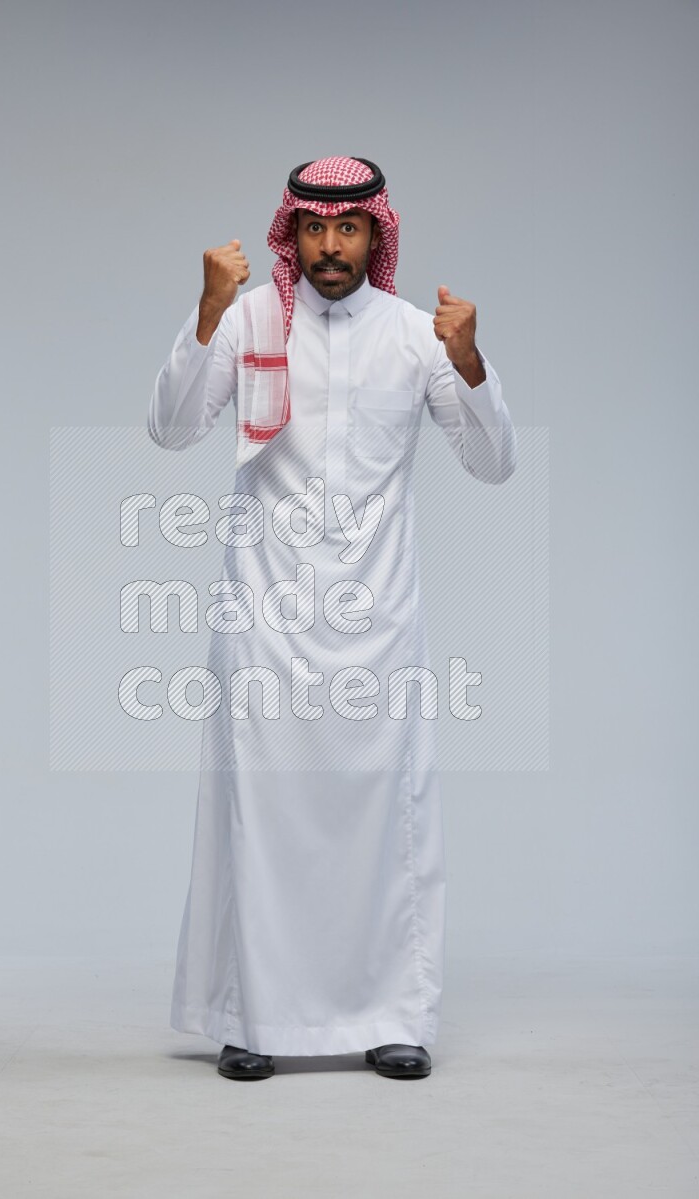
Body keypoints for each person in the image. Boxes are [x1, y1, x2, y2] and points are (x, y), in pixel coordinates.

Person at [148, 156, 517, 1081]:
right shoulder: (248, 321)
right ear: (293, 233)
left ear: (375, 235)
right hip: (266, 618)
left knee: (385, 820)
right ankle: (254, 1016)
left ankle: (394, 1015)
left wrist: (470, 361)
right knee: (261, 817)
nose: (329, 246)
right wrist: (203, 312)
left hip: (377, 624)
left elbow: (493, 461)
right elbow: (171, 426)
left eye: (347, 229)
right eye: (313, 229)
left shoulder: (414, 336)